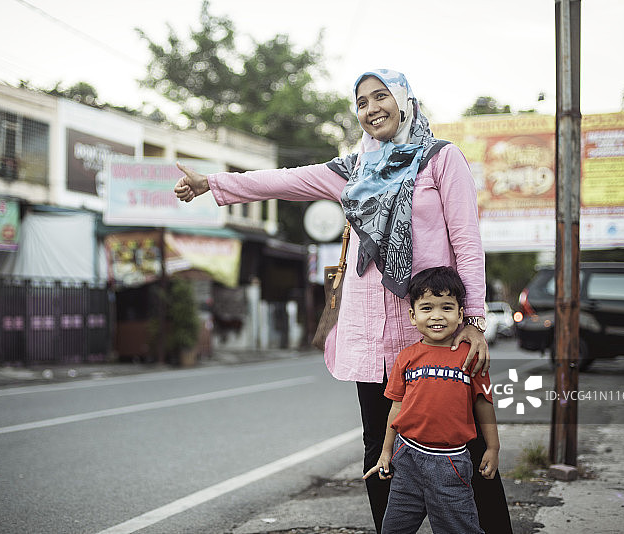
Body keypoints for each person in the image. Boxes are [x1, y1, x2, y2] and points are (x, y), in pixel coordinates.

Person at [174, 68, 512, 533]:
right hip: (369, 326)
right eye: (362, 102)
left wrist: (472, 318)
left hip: (433, 323)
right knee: (380, 443)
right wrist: (213, 183)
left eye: (381, 96)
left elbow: (468, 243)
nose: (372, 108)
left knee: (462, 437)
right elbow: (285, 181)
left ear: (405, 100)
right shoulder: (352, 168)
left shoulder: (441, 159)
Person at [363, 266, 500, 534]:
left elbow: (484, 403)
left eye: (446, 308)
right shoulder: (406, 358)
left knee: (459, 529)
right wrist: (386, 452)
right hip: (407, 459)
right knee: (393, 529)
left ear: (461, 314)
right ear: (413, 317)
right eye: (427, 308)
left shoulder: (470, 356)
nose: (437, 316)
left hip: (451, 464)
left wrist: (493, 448)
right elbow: (397, 407)